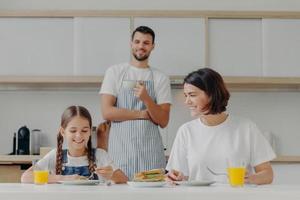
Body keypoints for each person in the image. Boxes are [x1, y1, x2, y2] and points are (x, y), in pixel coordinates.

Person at [166, 68, 276, 185]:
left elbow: (267, 174)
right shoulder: (186, 131)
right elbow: (178, 175)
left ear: (212, 95)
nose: (187, 101)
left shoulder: (246, 128)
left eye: (192, 95)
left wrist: (250, 179)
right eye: (186, 95)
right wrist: (173, 178)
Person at [100, 26, 172, 180]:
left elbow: (164, 120)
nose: (141, 46)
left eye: (146, 43)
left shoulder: (160, 78)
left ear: (153, 46)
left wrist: (146, 98)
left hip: (151, 153)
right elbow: (107, 112)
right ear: (131, 44)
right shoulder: (115, 72)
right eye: (137, 41)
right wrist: (142, 113)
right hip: (121, 152)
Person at [21, 105, 128, 184]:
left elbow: (124, 179)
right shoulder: (55, 155)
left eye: (84, 131)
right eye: (73, 131)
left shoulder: (100, 155)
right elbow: (25, 177)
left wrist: (111, 175)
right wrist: (62, 178)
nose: (79, 136)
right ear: (63, 132)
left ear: (90, 131)